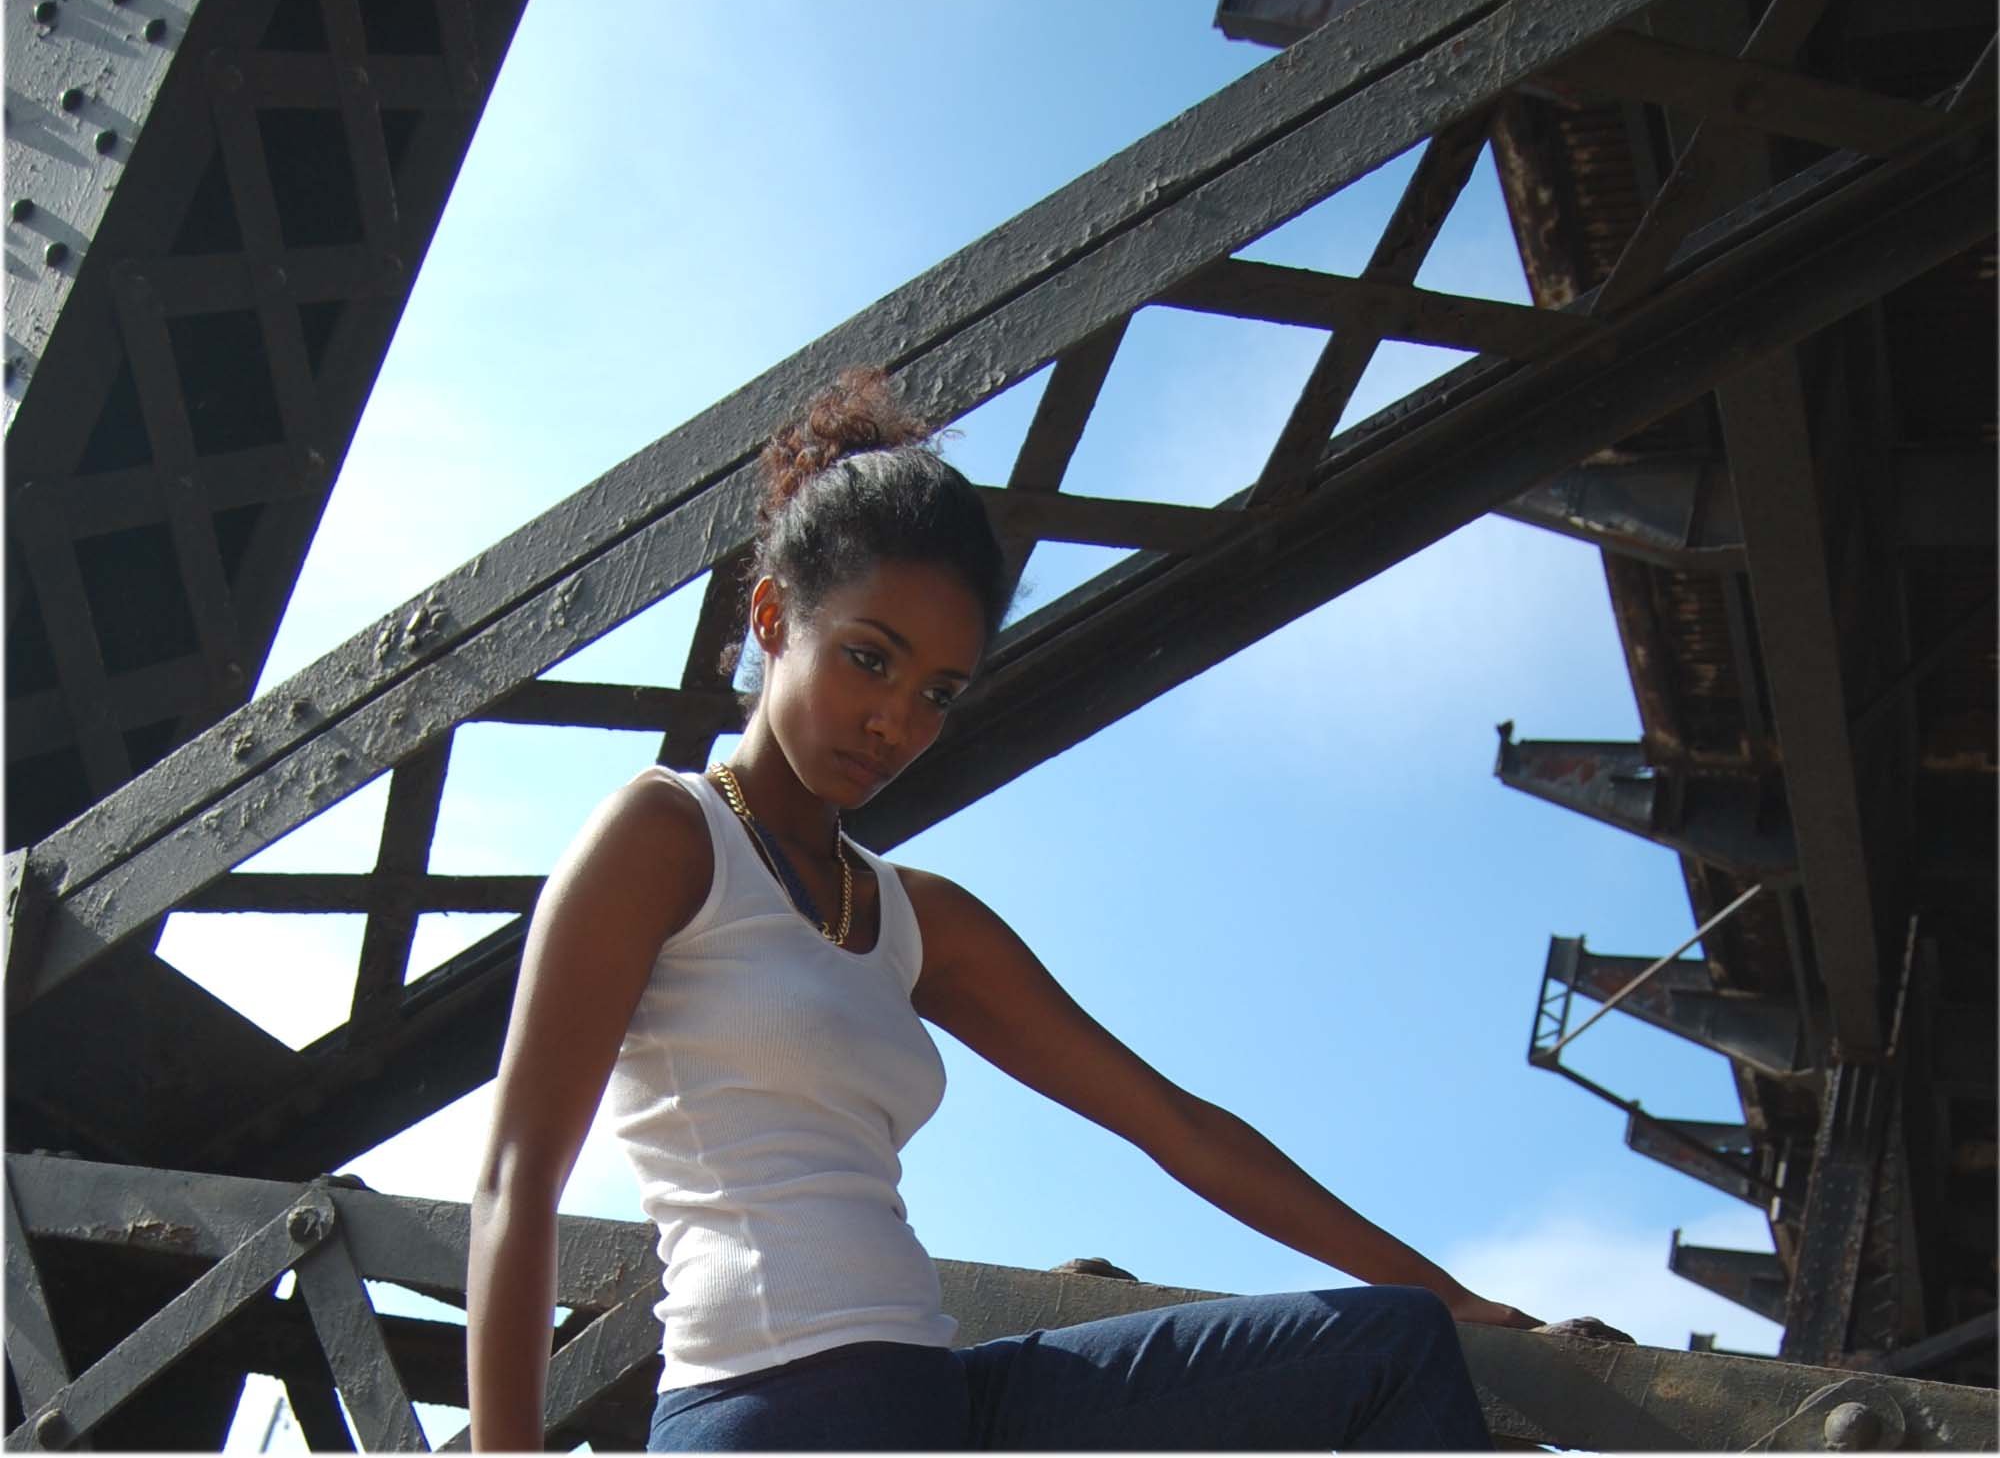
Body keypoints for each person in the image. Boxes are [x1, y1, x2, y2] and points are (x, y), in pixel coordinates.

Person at [466, 368, 1543, 1452]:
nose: (894, 721)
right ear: (772, 618)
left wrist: (1440, 1288)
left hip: (938, 1406)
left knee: (1392, 1350)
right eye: (868, 658)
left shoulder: (916, 918)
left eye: (935, 692)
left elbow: (1174, 1126)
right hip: (768, 1412)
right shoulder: (663, 837)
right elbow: (515, 1182)